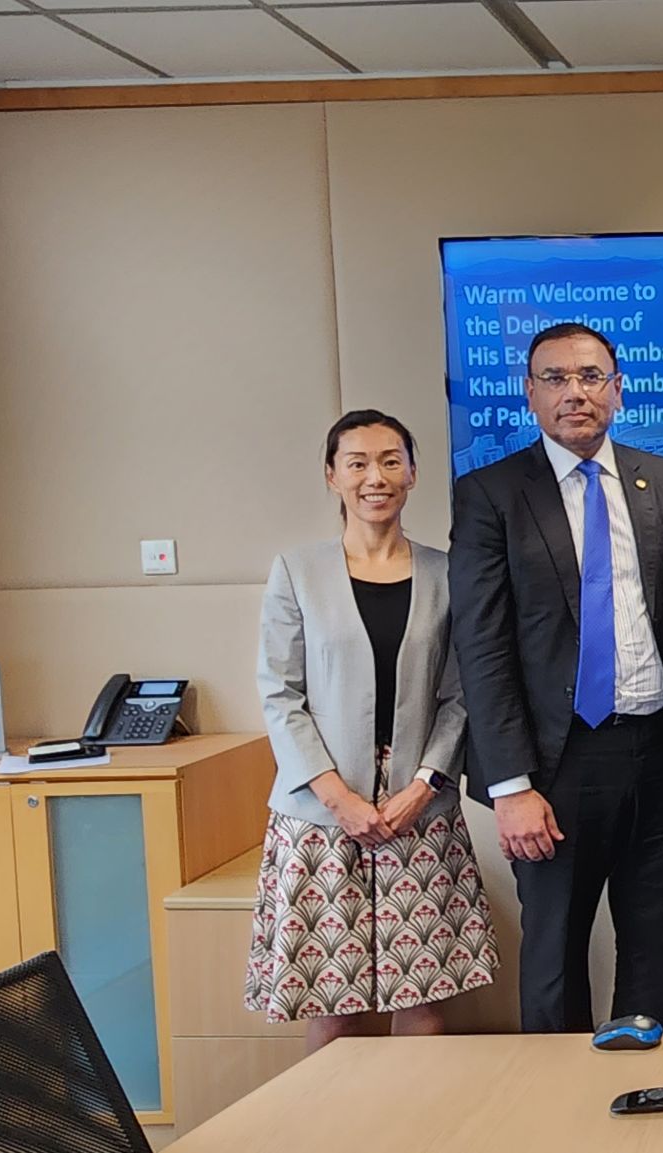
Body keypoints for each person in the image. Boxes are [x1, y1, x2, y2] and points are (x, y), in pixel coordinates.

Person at [449, 322, 663, 1034]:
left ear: (617, 391)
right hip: (555, 764)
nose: (575, 393)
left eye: (591, 377)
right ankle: (556, 1116)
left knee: (656, 941)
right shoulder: (490, 494)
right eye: (555, 379)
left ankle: (640, 1096)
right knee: (556, 952)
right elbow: (482, 644)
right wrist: (511, 784)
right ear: (530, 394)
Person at [248, 410, 498, 1050]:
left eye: (390, 460)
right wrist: (341, 799)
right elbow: (280, 695)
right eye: (356, 463)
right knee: (333, 1004)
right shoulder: (297, 571)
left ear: (412, 474)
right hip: (322, 815)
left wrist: (420, 786)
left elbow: (462, 694)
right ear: (332, 476)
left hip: (419, 808)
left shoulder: (448, 573)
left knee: (423, 999)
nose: (374, 477)